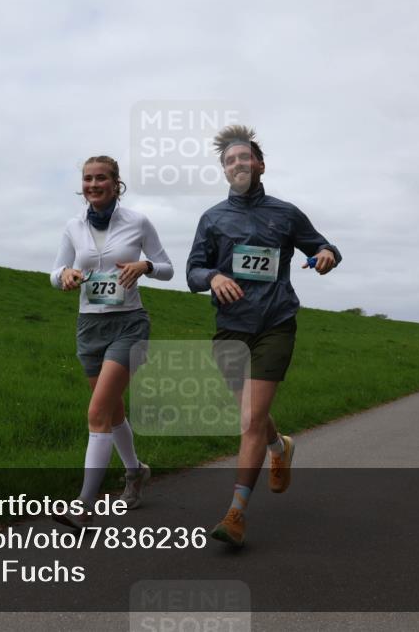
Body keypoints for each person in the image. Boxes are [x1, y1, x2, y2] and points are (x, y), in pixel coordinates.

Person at [186, 125, 342, 547]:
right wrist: (214, 276)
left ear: (260, 164)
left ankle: (235, 514)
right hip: (230, 331)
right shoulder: (213, 218)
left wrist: (326, 255)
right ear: (224, 170)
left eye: (244, 158)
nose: (237, 164)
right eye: (229, 160)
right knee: (253, 416)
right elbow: (192, 272)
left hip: (275, 323)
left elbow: (324, 248)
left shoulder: (285, 213)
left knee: (249, 419)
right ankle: (280, 446)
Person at [50, 155, 174, 528]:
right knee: (113, 410)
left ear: (116, 183)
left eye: (101, 178)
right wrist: (67, 274)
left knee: (97, 412)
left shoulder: (137, 222)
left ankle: (84, 506)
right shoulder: (73, 227)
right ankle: (135, 472)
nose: (93, 184)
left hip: (129, 326)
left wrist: (145, 266)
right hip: (89, 327)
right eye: (88, 179)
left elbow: (167, 268)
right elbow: (55, 274)